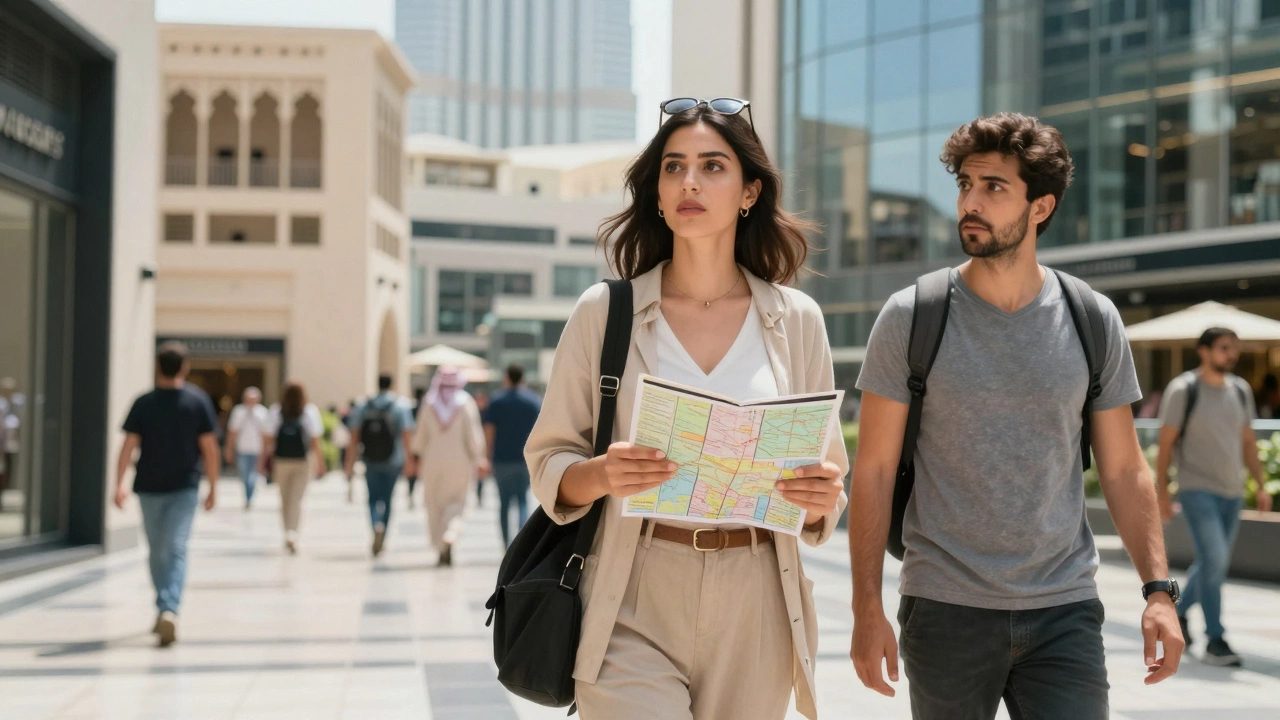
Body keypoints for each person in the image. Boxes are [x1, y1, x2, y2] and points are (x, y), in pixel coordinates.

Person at [848, 113, 1183, 719]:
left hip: (1065, 609)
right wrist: (865, 609)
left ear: (1040, 207)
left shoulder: (1092, 317)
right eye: (965, 185)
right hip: (944, 606)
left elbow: (1125, 468)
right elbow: (870, 470)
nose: (970, 203)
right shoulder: (911, 315)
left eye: (994, 187)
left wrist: (1158, 592)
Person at [524, 97, 848, 720]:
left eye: (711, 167)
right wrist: (601, 473)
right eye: (673, 168)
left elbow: (826, 479)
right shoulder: (605, 311)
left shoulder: (795, 319)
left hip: (757, 595)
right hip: (632, 584)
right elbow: (550, 454)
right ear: (657, 192)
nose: (689, 182)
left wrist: (818, 498)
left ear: (750, 192)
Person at [1155, 327, 1273, 667]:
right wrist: (1162, 491)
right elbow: (1164, 445)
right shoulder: (1183, 389)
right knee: (1216, 559)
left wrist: (1260, 484)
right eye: (1223, 348)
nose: (1231, 354)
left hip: (1232, 493)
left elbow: (1248, 441)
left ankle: (1177, 613)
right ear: (1203, 351)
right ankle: (1215, 639)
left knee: (1211, 562)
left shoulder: (1240, 390)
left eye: (1234, 348)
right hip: (1196, 490)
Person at [113, 342, 220, 648]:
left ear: (157, 366)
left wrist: (118, 483)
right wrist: (213, 486)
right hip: (161, 488)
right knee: (161, 551)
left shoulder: (158, 402)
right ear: (184, 367)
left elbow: (127, 446)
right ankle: (165, 605)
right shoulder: (181, 401)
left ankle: (168, 608)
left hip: (171, 489)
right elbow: (210, 448)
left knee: (171, 548)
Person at [413, 366, 487, 566]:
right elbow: (473, 437)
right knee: (458, 502)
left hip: (431, 463)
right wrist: (479, 457)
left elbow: (419, 439)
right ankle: (450, 533)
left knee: (433, 504)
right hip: (460, 463)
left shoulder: (429, 403)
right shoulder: (465, 403)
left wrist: (415, 457)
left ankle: (439, 546)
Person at [345, 375, 416, 557]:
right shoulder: (400, 405)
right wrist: (410, 460)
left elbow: (354, 436)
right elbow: (407, 434)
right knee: (388, 498)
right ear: (391, 385)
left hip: (370, 459)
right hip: (393, 459)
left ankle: (375, 523)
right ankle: (383, 530)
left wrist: (350, 463)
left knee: (372, 498)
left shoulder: (363, 405)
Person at [258, 382, 326, 555]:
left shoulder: (276, 410)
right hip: (302, 461)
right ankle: (292, 533)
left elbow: (268, 439)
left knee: (284, 498)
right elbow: (315, 440)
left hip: (281, 460)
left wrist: (263, 460)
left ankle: (287, 531)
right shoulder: (309, 411)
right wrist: (320, 462)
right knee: (296, 499)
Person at [483, 364, 542, 547]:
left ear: (507, 377)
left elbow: (489, 431)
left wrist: (487, 455)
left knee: (504, 503)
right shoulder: (534, 401)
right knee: (523, 500)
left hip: (502, 460)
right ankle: (521, 543)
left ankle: (505, 543)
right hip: (525, 460)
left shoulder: (496, 401)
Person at [224, 387, 270, 509]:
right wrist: (229, 449)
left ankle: (249, 498)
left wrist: (266, 452)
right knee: (244, 475)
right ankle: (247, 495)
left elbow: (266, 435)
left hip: (257, 450)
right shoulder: (238, 412)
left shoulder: (263, 413)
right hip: (242, 449)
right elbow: (232, 432)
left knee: (253, 476)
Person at [406, 387, 427, 509]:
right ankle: (425, 497)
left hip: (414, 443)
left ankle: (411, 493)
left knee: (412, 472)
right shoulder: (427, 409)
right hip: (426, 445)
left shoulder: (411, 410)